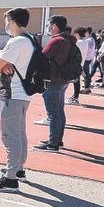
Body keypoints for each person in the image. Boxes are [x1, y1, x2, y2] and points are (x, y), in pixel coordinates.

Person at [0, 8, 34, 192]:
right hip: (24, 94)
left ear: (12, 21)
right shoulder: (31, 40)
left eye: (7, 21)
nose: (5, 25)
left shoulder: (16, 42)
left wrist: (2, 63)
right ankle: (18, 169)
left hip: (11, 93)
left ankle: (10, 179)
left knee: (10, 136)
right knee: (20, 133)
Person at [32, 15, 75, 153]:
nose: (48, 28)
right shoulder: (68, 40)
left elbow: (41, 59)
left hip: (53, 80)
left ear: (54, 26)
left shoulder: (56, 41)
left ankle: (52, 144)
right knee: (59, 112)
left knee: (53, 114)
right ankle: (57, 140)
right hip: (62, 80)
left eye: (49, 25)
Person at [67, 27, 90, 105]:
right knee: (76, 81)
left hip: (76, 64)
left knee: (75, 81)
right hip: (81, 63)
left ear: (77, 34)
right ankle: (75, 97)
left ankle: (75, 98)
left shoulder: (78, 42)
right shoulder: (85, 42)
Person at [80, 28, 96, 93]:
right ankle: (87, 86)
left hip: (85, 58)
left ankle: (87, 88)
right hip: (89, 58)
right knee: (86, 73)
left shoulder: (87, 41)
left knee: (85, 73)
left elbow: (85, 49)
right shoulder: (92, 39)